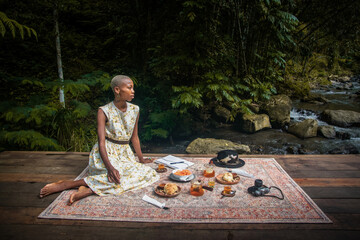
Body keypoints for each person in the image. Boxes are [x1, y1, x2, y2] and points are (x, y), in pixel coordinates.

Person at [39, 75, 159, 205]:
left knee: (148, 173)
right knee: (116, 175)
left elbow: (134, 137)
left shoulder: (135, 109)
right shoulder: (104, 111)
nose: (133, 91)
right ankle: (67, 184)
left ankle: (88, 190)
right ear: (117, 90)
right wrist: (109, 167)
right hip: (107, 151)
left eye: (133, 88)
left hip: (125, 153)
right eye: (129, 88)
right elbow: (101, 141)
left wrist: (141, 159)